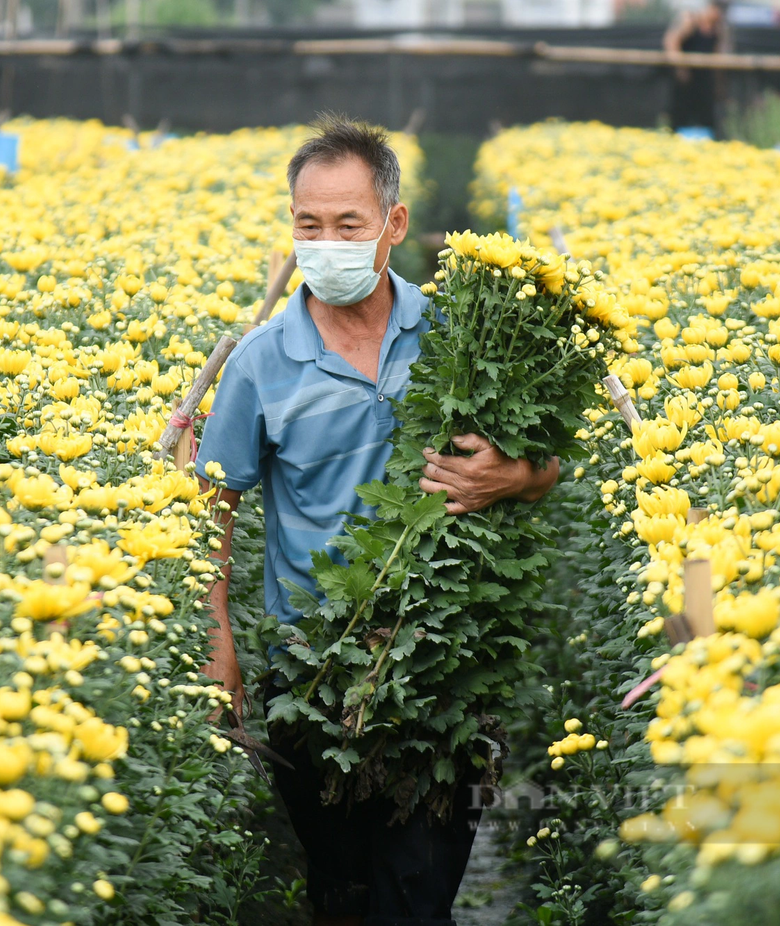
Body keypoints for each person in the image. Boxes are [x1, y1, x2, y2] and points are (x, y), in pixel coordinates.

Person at [193, 116, 560, 926]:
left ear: (393, 224)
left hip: (443, 670)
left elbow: (550, 465)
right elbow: (212, 506)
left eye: (347, 224)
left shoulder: (460, 337)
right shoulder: (261, 360)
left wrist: (516, 476)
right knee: (343, 894)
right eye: (308, 225)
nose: (326, 243)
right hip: (312, 675)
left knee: (417, 899)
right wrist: (221, 640)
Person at [662, 0, 733, 135]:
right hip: (685, 81)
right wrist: (681, 69)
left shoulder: (719, 29)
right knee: (679, 119)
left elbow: (721, 55)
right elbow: (671, 42)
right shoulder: (690, 21)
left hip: (705, 81)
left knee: (706, 120)